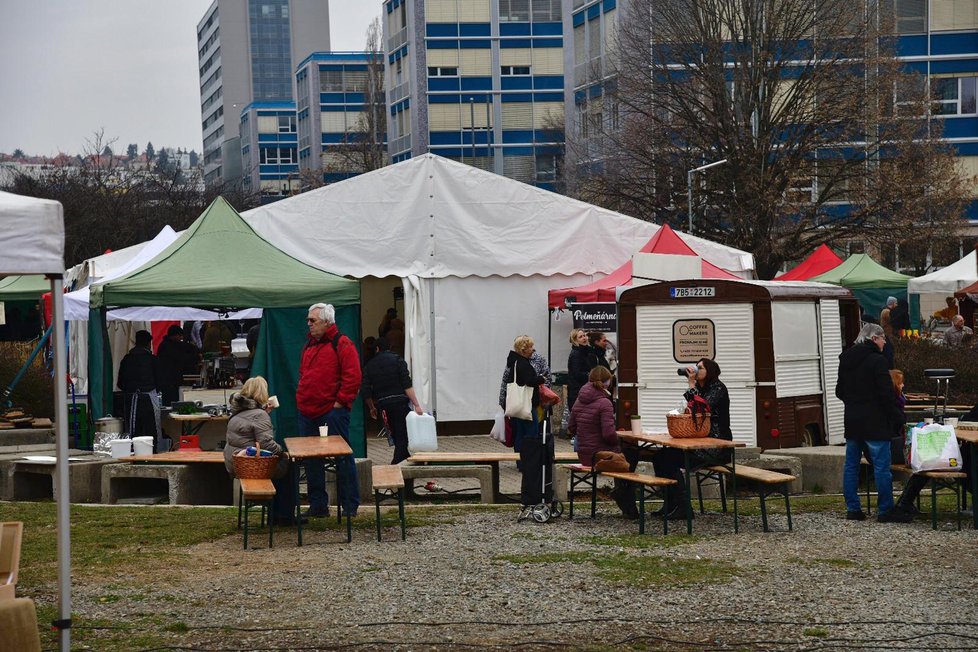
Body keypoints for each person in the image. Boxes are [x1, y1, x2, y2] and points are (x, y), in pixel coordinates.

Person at [836, 323, 912, 522]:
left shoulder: (845, 359)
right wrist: (897, 416)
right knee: (881, 467)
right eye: (882, 338)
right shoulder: (877, 361)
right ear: (874, 339)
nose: (885, 342)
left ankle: (853, 508)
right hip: (875, 422)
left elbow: (839, 391)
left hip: (852, 420)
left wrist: (854, 403)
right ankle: (885, 510)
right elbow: (885, 395)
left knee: (851, 465)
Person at [296, 303, 362, 518]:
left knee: (342, 457)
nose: (308, 324)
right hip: (308, 412)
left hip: (330, 412)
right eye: (308, 320)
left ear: (326, 322)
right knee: (311, 460)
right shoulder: (309, 346)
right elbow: (304, 374)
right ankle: (318, 505)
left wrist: (340, 403)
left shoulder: (342, 343)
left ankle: (349, 505)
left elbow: (353, 377)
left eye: (312, 320)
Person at [650, 358, 733, 521]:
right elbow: (691, 407)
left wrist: (691, 384)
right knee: (660, 457)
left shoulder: (718, 388)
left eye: (700, 368)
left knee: (670, 460)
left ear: (710, 371)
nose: (696, 370)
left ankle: (683, 507)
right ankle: (670, 503)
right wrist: (692, 385)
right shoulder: (701, 389)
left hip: (716, 446)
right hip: (699, 442)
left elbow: (701, 408)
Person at [568, 366, 638, 519]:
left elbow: (571, 427)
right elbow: (608, 435)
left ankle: (627, 505)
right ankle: (628, 505)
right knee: (630, 457)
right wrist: (617, 438)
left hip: (584, 456)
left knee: (627, 457)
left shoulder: (579, 400)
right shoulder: (604, 403)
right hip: (601, 456)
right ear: (607, 382)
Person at [505, 335, 551, 515]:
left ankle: (524, 459)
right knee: (530, 437)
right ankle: (529, 462)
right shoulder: (523, 364)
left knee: (522, 436)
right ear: (524, 349)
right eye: (531, 347)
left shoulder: (514, 362)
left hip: (519, 407)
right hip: (526, 406)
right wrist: (541, 378)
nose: (533, 350)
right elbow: (529, 381)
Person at [361, 337, 424, 464]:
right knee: (402, 433)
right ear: (389, 347)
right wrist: (417, 404)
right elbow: (407, 385)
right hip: (400, 403)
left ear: (377, 349)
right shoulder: (398, 360)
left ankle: (404, 457)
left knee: (394, 433)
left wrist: (372, 407)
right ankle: (397, 462)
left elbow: (366, 389)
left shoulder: (369, 366)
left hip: (384, 404)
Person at [224, 376, 289, 484]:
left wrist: (264, 411)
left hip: (232, 461)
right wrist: (282, 452)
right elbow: (266, 444)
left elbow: (249, 421)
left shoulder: (238, 409)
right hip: (246, 465)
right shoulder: (259, 415)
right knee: (286, 462)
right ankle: (286, 500)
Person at [117, 329, 161, 446]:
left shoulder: (126, 359)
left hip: (131, 398)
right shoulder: (152, 359)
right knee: (151, 429)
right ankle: (153, 452)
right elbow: (159, 380)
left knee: (133, 429)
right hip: (149, 397)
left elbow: (120, 383)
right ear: (148, 343)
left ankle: (133, 452)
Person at [155, 325, 201, 405]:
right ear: (175, 335)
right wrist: (196, 357)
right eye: (180, 336)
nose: (181, 338)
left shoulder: (164, 345)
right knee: (172, 402)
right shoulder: (169, 347)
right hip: (170, 380)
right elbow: (182, 358)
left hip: (168, 380)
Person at [566, 328, 591, 412]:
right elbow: (577, 374)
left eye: (584, 335)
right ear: (575, 340)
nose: (584, 338)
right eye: (580, 337)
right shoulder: (576, 354)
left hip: (583, 390)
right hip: (577, 392)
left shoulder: (585, 351)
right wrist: (590, 375)